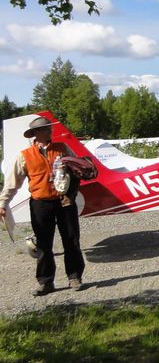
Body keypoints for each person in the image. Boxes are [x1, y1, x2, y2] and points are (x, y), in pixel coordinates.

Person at [0, 116, 86, 296]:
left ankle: (75, 276)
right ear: (36, 133)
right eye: (47, 128)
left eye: (49, 128)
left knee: (71, 239)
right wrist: (3, 203)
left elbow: (78, 166)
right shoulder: (24, 156)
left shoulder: (62, 148)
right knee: (44, 244)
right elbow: (12, 183)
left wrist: (78, 173)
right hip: (40, 203)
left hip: (65, 201)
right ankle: (46, 282)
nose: (50, 131)